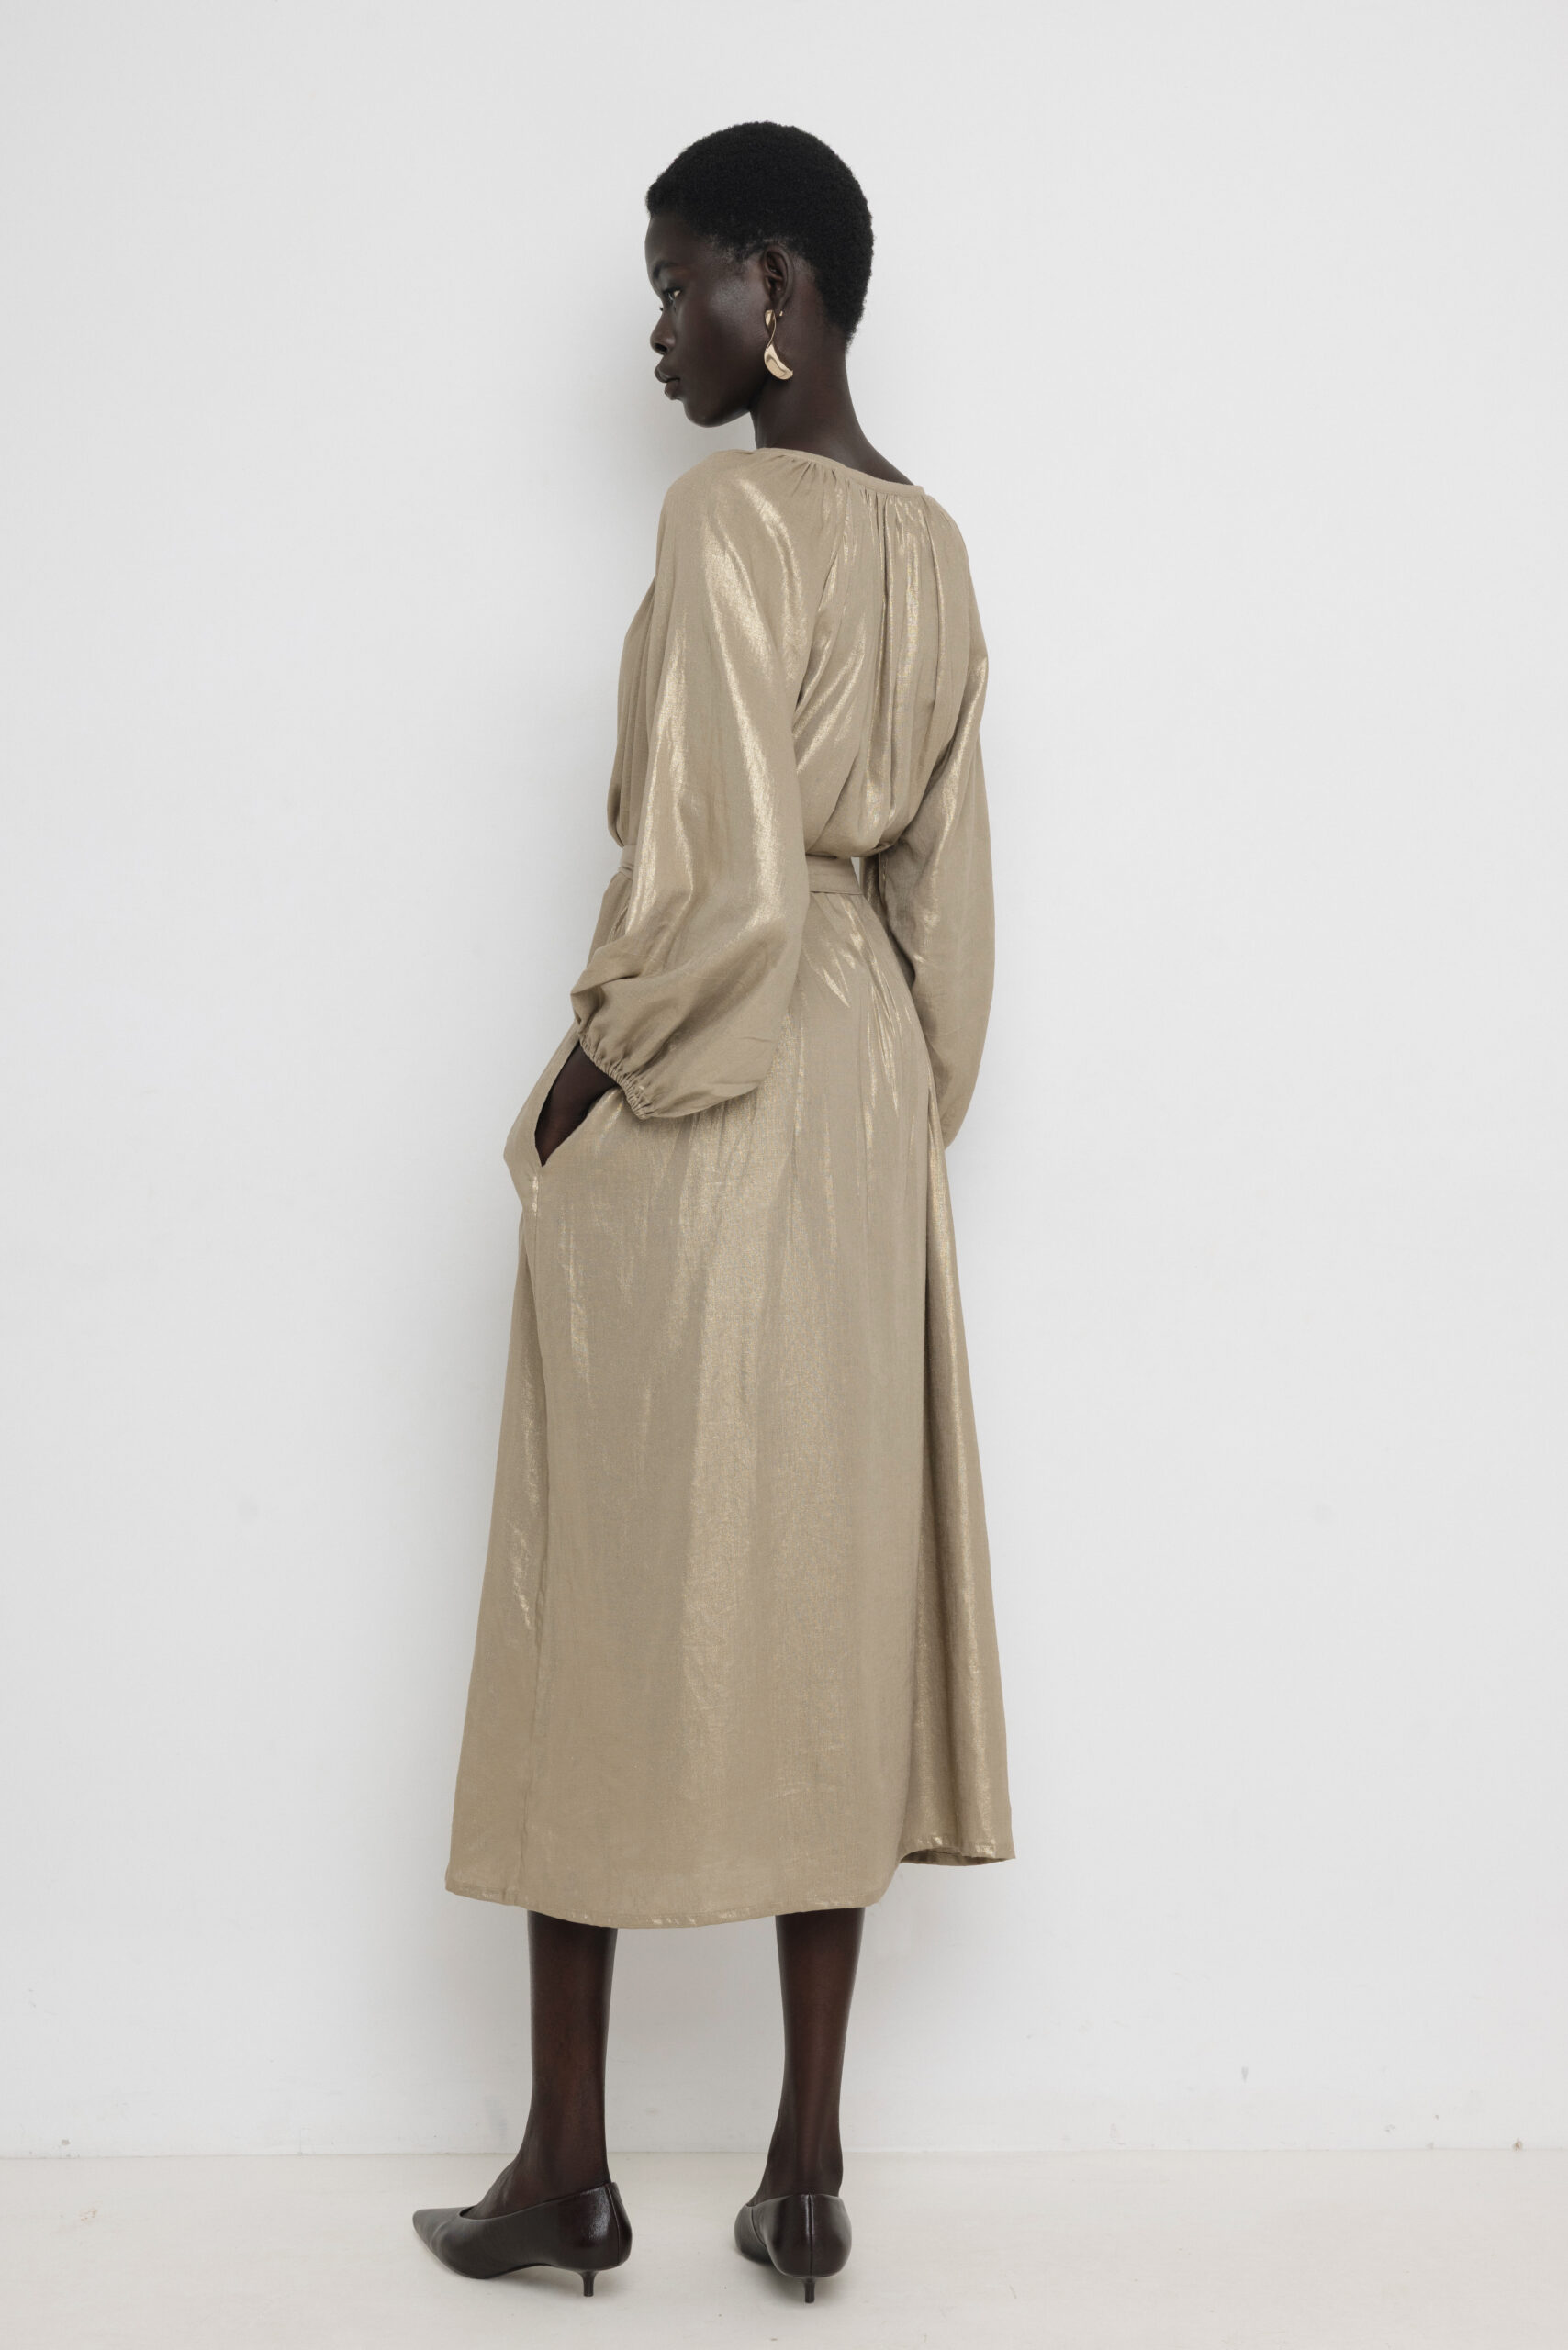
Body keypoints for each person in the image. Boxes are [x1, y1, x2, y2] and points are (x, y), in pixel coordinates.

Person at [414, 120, 1013, 2305]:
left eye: (677, 281)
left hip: (712, 1063)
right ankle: (804, 2169)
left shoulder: (721, 517)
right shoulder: (932, 545)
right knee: (823, 1591)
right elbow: (946, 903)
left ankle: (565, 2167)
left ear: (778, 283)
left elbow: (726, 881)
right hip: (864, 1094)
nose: (655, 328)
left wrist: (582, 1088)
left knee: (594, 1581)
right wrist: (902, 1121)